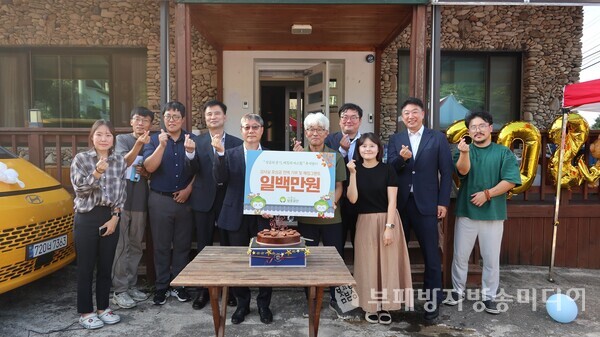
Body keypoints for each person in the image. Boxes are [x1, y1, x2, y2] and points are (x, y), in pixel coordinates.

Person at [443, 111, 521, 314]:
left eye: (481, 126)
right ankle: (457, 292)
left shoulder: (503, 152)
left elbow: (510, 180)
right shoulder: (463, 150)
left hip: (493, 214)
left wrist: (487, 194)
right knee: (460, 256)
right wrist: (465, 153)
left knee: (491, 258)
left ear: (490, 128)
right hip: (466, 212)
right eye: (473, 127)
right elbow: (462, 172)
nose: (477, 130)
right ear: (468, 131)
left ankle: (489, 297)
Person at [387, 97, 453, 320]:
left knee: (431, 255)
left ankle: (433, 300)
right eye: (406, 113)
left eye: (414, 112)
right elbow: (390, 170)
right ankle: (398, 300)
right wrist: (402, 160)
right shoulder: (395, 139)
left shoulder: (437, 138)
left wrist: (443, 202)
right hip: (402, 204)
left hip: (427, 204)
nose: (410, 116)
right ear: (402, 116)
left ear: (423, 114)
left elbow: (446, 173)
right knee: (397, 254)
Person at [346, 132, 413, 325]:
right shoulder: (354, 168)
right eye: (363, 146)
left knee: (388, 264)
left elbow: (392, 201)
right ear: (358, 149)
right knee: (367, 265)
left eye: (372, 146)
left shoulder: (388, 170)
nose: (367, 149)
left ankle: (387, 306)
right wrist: (352, 174)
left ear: (378, 149)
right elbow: (352, 199)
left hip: (387, 219)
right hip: (365, 222)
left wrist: (389, 227)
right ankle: (370, 306)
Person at [212, 113, 273, 325]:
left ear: (262, 130)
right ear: (241, 130)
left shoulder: (272, 157)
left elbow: (277, 187)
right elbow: (219, 179)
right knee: (238, 263)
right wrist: (219, 155)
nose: (251, 131)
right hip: (234, 215)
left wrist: (273, 207)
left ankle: (264, 305)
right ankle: (242, 304)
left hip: (262, 218)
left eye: (255, 127)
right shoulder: (229, 154)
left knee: (265, 261)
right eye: (246, 127)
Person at [184, 100, 242, 310]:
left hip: (228, 201)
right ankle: (203, 291)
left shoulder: (236, 142)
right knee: (203, 247)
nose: (213, 117)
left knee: (230, 248)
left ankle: (231, 290)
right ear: (205, 118)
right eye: (209, 114)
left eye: (217, 114)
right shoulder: (196, 142)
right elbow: (191, 170)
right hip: (203, 200)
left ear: (225, 117)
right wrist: (189, 154)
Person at [70, 119, 126, 330]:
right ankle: (86, 312)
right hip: (86, 217)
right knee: (85, 268)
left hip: (110, 216)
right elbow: (80, 190)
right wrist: (97, 173)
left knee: (105, 266)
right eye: (99, 134)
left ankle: (104, 308)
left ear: (113, 138)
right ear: (92, 137)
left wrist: (115, 217)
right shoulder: (82, 159)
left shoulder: (119, 161)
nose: (104, 139)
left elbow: (122, 191)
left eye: (108, 135)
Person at [292, 112, 349, 319]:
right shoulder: (299, 155)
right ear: (306, 133)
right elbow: (291, 186)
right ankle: (311, 298)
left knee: (336, 258)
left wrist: (332, 202)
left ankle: (338, 299)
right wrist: (295, 160)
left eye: (319, 129)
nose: (315, 133)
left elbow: (339, 186)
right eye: (310, 129)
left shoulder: (335, 156)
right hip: (306, 219)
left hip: (331, 217)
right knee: (307, 258)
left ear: (326, 133)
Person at [143, 101, 194, 305]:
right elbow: (149, 167)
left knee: (182, 245)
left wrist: (189, 189)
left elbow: (199, 169)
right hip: (160, 199)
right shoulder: (154, 140)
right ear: (163, 119)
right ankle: (161, 286)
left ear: (183, 119)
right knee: (161, 246)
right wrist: (162, 146)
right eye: (168, 116)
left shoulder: (192, 140)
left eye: (175, 116)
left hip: (185, 201)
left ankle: (179, 285)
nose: (171, 120)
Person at [110, 107, 153, 309]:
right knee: (121, 245)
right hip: (122, 200)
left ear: (150, 124)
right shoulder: (122, 140)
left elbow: (153, 170)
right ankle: (119, 290)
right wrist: (138, 145)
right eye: (137, 119)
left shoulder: (153, 142)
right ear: (131, 122)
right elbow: (123, 162)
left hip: (141, 200)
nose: (141, 123)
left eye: (145, 120)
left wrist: (146, 172)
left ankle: (132, 285)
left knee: (136, 244)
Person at [324, 103, 362, 252]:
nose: (349, 121)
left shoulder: (368, 141)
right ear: (339, 121)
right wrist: (342, 151)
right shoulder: (329, 140)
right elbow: (325, 167)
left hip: (359, 197)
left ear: (359, 121)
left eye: (354, 117)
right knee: (337, 241)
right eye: (344, 117)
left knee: (359, 241)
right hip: (336, 198)